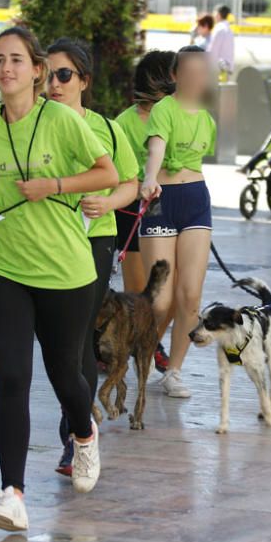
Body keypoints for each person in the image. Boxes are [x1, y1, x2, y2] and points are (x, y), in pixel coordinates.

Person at [0, 27, 118, 525]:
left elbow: (107, 174)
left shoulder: (62, 120)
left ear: (37, 70)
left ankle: (84, 434)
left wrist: (54, 185)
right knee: (13, 378)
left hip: (65, 268)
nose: (6, 69)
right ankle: (12, 495)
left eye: (17, 60)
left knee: (66, 373)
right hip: (5, 268)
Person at [43, 37, 138, 476]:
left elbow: (131, 183)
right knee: (54, 341)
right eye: (47, 75)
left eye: (64, 75)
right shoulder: (33, 123)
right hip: (41, 242)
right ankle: (79, 427)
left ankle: (74, 438)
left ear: (83, 80)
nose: (54, 84)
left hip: (93, 241)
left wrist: (109, 203)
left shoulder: (107, 128)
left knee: (79, 336)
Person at [139, 45, 216, 399]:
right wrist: (149, 178)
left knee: (191, 296)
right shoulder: (163, 110)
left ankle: (174, 371)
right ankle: (141, 349)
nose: (199, 78)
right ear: (175, 75)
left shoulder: (207, 118)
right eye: (192, 71)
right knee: (159, 300)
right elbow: (157, 147)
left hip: (196, 200)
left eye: (205, 71)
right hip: (161, 201)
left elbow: (196, 159)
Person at [114, 49, 177, 372]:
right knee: (138, 295)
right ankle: (136, 348)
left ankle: (150, 343)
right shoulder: (123, 124)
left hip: (169, 211)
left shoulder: (178, 117)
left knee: (172, 294)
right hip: (130, 214)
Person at [206, 5, 235, 74]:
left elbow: (212, 50)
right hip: (227, 67)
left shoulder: (218, 29)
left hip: (218, 69)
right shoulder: (229, 30)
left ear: (218, 14)